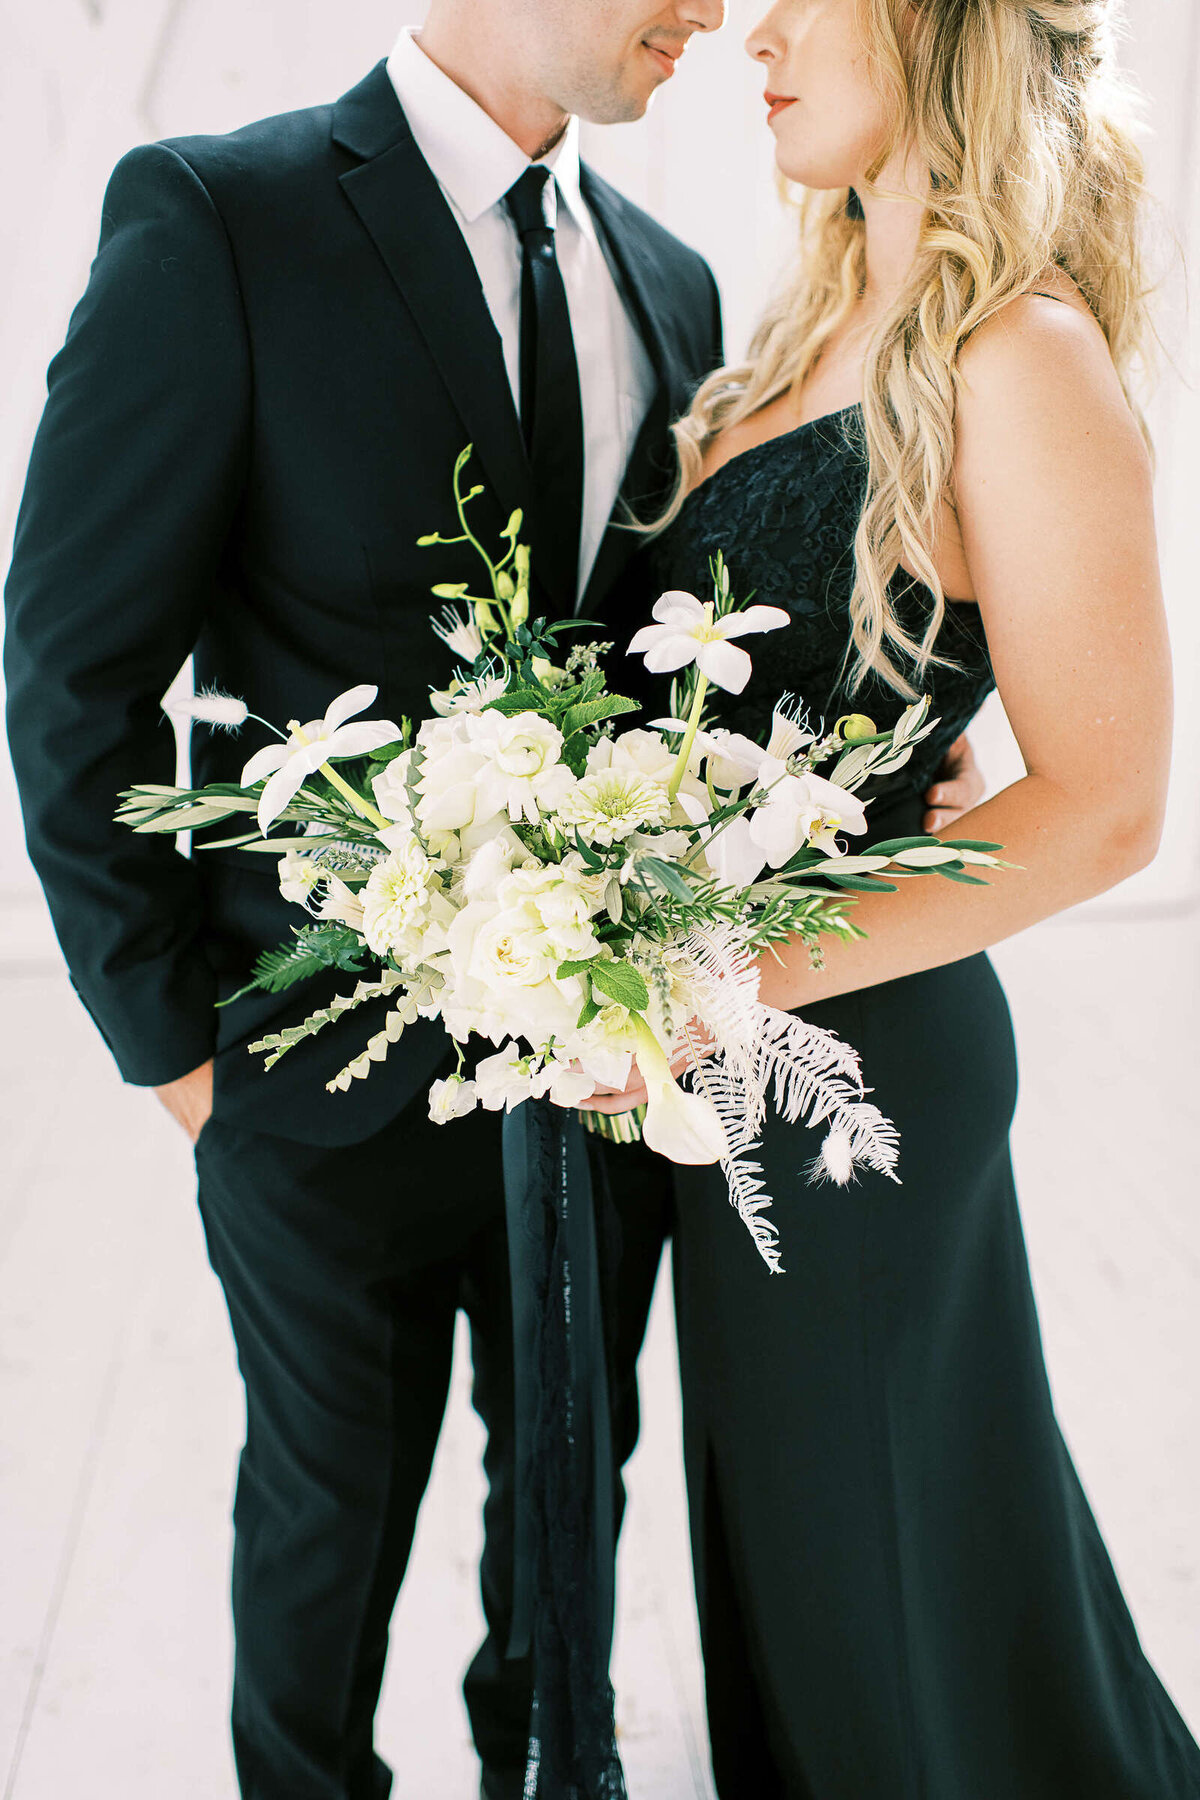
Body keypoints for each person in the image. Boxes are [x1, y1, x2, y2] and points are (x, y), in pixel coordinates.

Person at [3, 2, 982, 1794]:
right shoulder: (220, 218)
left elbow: (698, 664)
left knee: (568, 1524)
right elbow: (71, 672)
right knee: (323, 1542)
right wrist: (183, 1056)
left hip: (614, 1081)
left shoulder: (676, 285)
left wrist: (902, 747)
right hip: (310, 1076)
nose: (707, 7)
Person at [586, 0, 1200, 1794]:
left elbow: (1106, 807)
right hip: (722, 1077)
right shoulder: (789, 328)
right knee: (821, 1588)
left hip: (861, 1086)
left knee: (895, 1600)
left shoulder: (1022, 354)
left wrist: (713, 966)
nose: (753, 35)